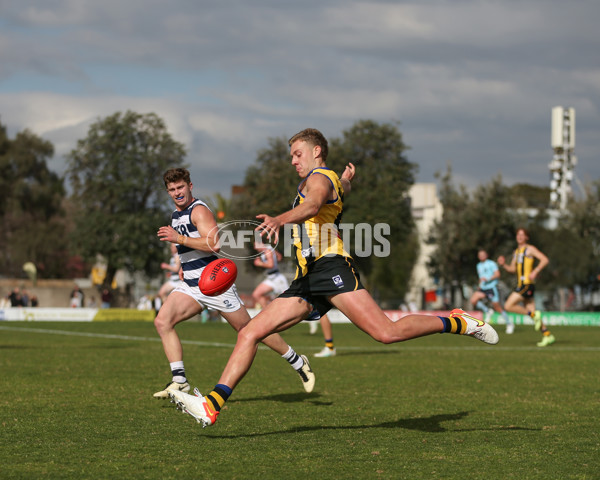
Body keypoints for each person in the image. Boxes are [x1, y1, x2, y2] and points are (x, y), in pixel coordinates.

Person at [169, 128, 499, 427]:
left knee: (386, 333)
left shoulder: (320, 178)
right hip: (307, 279)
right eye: (291, 157)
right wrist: (347, 181)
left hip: (331, 268)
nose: (293, 161)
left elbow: (313, 205)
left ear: (317, 151)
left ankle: (457, 322)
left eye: (298, 154)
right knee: (250, 332)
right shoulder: (328, 179)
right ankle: (211, 405)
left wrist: (281, 219)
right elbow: (334, 195)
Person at [153, 167, 315, 399]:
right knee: (162, 322)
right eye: (172, 189)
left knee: (250, 329)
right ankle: (179, 381)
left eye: (180, 187)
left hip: (214, 284)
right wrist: (182, 266)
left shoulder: (198, 210)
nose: (177, 192)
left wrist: (177, 238)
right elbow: (188, 248)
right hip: (190, 284)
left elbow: (214, 244)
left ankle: (297, 361)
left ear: (190, 186)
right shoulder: (175, 215)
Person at [497, 228, 555, 347]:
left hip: (527, 284)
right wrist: (503, 265)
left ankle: (533, 315)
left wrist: (536, 271)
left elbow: (544, 259)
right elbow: (513, 269)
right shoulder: (516, 252)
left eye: (522, 235)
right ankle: (547, 335)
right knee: (533, 313)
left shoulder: (530, 249)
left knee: (508, 306)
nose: (519, 237)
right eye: (518, 234)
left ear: (526, 237)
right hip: (521, 285)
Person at [469, 249, 513, 334]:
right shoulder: (478, 265)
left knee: (497, 307)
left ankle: (509, 323)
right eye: (480, 255)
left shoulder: (491, 263)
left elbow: (497, 274)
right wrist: (479, 285)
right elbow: (481, 277)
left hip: (491, 288)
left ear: (486, 255)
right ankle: (487, 310)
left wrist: (488, 279)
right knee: (473, 300)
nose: (481, 256)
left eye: (483, 254)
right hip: (483, 288)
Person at [251, 242, 289, 309]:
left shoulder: (267, 251)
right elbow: (279, 257)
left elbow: (271, 265)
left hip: (277, 278)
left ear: (261, 243)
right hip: (270, 278)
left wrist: (259, 263)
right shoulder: (270, 248)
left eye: (255, 245)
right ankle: (266, 313)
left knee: (288, 299)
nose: (255, 248)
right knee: (256, 294)